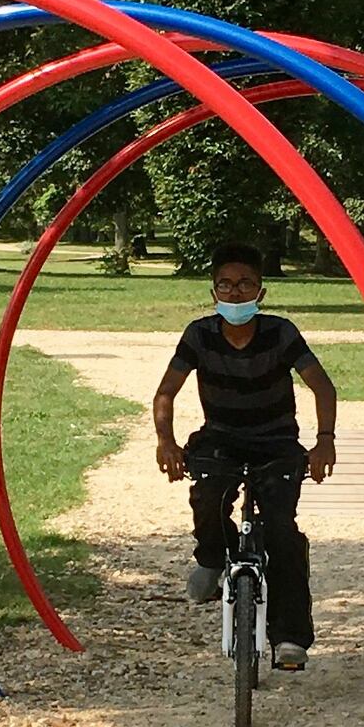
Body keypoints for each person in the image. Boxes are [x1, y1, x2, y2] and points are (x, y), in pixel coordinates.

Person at [152, 240, 337, 669]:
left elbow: (322, 385)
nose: (236, 294)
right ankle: (214, 557)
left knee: (281, 533)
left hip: (275, 442)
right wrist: (166, 440)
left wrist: (323, 440)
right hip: (221, 437)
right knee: (209, 495)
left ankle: (290, 638)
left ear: (261, 292)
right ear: (214, 292)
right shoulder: (199, 335)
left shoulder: (281, 332)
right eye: (226, 285)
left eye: (246, 284)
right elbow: (166, 392)